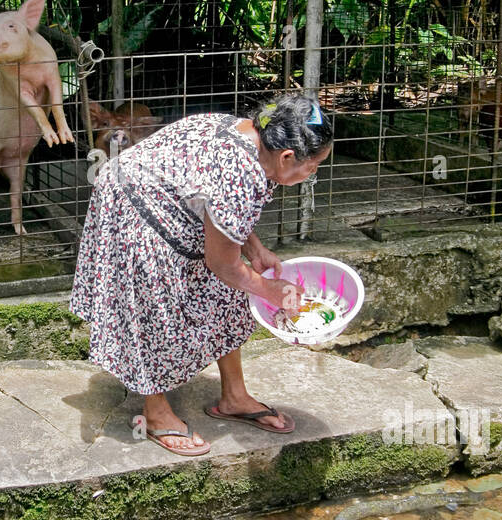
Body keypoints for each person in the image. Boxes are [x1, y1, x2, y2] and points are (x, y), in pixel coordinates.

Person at [69, 92, 333, 456]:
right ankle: (156, 413)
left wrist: (254, 250)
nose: (312, 173)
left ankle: (235, 396)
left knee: (231, 290)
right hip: (133, 204)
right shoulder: (240, 171)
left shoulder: (252, 138)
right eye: (313, 165)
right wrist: (271, 290)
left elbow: (222, 209)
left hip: (171, 199)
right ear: (287, 157)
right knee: (155, 304)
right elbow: (223, 262)